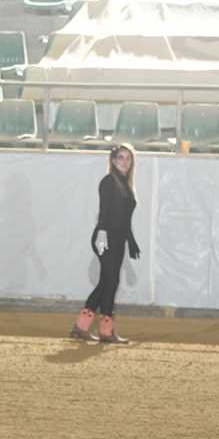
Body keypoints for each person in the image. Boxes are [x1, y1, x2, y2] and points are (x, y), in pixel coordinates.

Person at [71, 144, 140, 344]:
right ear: (113, 160)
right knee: (109, 282)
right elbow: (104, 210)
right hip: (106, 238)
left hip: (118, 239)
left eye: (128, 157)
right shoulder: (108, 181)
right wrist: (102, 232)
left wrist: (131, 240)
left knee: (108, 282)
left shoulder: (126, 184)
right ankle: (104, 331)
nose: (125, 161)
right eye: (121, 157)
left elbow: (125, 219)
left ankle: (83, 327)